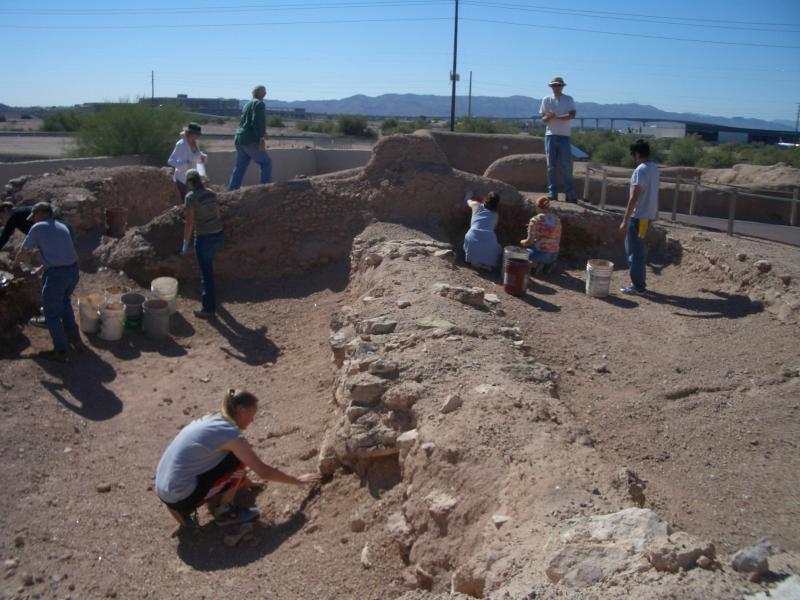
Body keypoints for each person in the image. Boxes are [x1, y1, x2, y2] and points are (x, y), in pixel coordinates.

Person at [155, 389, 320, 530]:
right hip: (181, 496)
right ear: (241, 410)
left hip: (163, 489)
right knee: (239, 460)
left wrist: (246, 482)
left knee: (228, 456)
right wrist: (297, 480)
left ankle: (181, 513)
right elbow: (263, 471)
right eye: (251, 414)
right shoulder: (231, 435)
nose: (252, 420)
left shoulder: (211, 419)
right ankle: (224, 512)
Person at [12, 202, 81, 362]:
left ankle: (61, 351)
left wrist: (15, 265)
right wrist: (41, 269)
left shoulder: (38, 227)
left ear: (41, 214)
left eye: (34, 217)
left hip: (57, 276)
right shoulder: (61, 226)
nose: (34, 221)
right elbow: (59, 255)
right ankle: (73, 335)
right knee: (64, 301)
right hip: (73, 271)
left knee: (51, 314)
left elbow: (24, 250)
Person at [182, 169, 224, 319]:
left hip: (204, 238)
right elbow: (218, 214)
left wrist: (185, 242)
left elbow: (189, 222)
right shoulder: (211, 193)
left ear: (189, 181)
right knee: (209, 270)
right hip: (218, 235)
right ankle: (212, 300)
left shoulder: (191, 197)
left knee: (206, 274)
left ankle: (209, 309)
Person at [619, 139, 659, 294]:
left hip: (638, 217)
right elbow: (655, 192)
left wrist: (625, 219)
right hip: (646, 216)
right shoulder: (654, 168)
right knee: (639, 250)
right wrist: (656, 211)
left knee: (634, 251)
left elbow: (634, 197)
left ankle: (638, 286)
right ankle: (639, 283)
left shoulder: (640, 170)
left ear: (636, 154)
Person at [539, 76, 577, 202]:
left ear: (562, 86)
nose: (556, 87)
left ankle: (569, 194)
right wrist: (549, 117)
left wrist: (556, 117)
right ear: (552, 87)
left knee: (566, 165)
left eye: (558, 85)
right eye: (554, 85)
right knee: (551, 166)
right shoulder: (546, 100)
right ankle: (552, 192)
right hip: (550, 135)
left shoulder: (568, 99)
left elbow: (572, 115)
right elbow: (543, 118)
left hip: (564, 136)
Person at [228, 85, 272, 191]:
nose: (265, 94)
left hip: (239, 138)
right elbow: (256, 122)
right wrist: (261, 137)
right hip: (250, 139)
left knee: (240, 167)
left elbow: (246, 122)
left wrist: (263, 133)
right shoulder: (259, 104)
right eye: (264, 92)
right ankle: (264, 189)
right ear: (261, 94)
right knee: (266, 163)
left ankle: (232, 191)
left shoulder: (247, 104)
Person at [521, 196, 562, 275]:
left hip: (541, 255)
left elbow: (529, 241)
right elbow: (558, 240)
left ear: (537, 207)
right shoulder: (557, 219)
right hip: (554, 254)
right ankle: (547, 265)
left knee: (524, 253)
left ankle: (535, 266)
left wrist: (523, 243)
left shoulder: (535, 220)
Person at [167, 123, 207, 200]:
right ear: (191, 134)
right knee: (186, 200)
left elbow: (197, 160)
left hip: (193, 178)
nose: (197, 137)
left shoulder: (196, 144)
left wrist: (202, 173)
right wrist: (184, 164)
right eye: (196, 134)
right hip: (182, 178)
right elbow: (171, 161)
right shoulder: (181, 144)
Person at [464, 191, 501, 270]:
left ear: (486, 198)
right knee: (496, 248)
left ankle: (474, 260)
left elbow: (467, 200)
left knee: (472, 241)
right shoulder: (496, 215)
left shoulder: (476, 205)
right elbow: (493, 228)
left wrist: (469, 195)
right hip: (489, 239)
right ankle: (484, 263)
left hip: (472, 236)